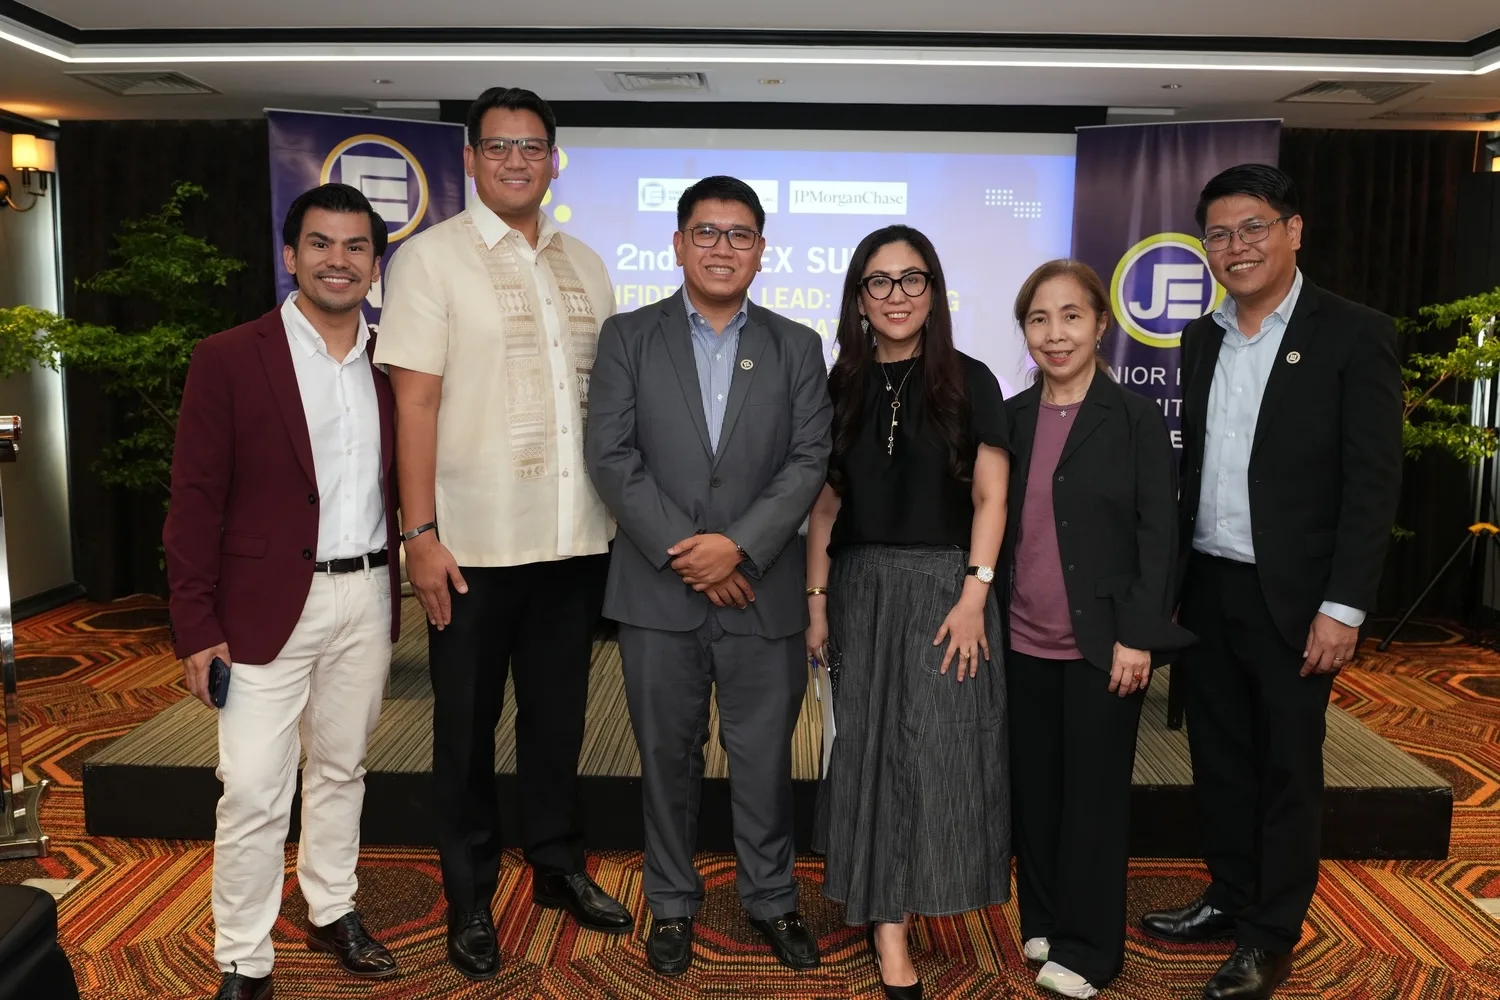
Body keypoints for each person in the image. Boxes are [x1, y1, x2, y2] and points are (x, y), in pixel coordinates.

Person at [374, 87, 632, 983]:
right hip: (471, 546)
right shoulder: (430, 262)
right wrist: (422, 534)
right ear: (471, 160)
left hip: (572, 540)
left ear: (555, 158)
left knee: (559, 720)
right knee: (465, 730)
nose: (516, 161)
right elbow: (414, 401)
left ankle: (557, 864)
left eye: (532, 146)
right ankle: (470, 892)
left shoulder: (589, 264)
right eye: (498, 147)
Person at [1141, 164, 1403, 1000]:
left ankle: (1271, 932)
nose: (1234, 247)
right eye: (1218, 234)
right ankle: (1228, 891)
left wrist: (1344, 605)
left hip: (1298, 598)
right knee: (1216, 754)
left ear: (1294, 230)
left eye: (1252, 227)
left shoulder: (1354, 334)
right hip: (1211, 584)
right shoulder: (1201, 335)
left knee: (1288, 766)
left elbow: (1373, 483)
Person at [584, 175, 832, 979]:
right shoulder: (628, 336)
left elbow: (807, 463)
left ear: (762, 250)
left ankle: (771, 898)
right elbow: (611, 457)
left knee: (764, 757)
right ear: (679, 244)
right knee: (666, 756)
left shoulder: (798, 346)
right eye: (706, 232)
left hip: (763, 590)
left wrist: (741, 549)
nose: (722, 247)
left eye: (739, 234)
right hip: (659, 592)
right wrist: (694, 552)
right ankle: (672, 903)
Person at [164, 183, 402, 1000]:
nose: (339, 261)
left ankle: (333, 909)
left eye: (356, 246)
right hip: (259, 611)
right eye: (321, 244)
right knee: (256, 790)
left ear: (376, 261)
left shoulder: (395, 359)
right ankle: (244, 957)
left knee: (342, 769)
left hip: (367, 597)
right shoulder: (230, 356)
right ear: (291, 254)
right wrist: (196, 626)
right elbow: (193, 501)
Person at [805, 225, 1011, 1000]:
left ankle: (917, 895)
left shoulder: (970, 379)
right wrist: (817, 604)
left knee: (939, 753)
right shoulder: (841, 385)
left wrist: (973, 595)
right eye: (879, 282)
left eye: (911, 279)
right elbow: (825, 510)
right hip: (858, 591)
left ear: (935, 290)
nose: (896, 296)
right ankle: (887, 927)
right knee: (865, 750)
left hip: (947, 595)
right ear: (859, 298)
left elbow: (992, 497)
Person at [1002, 260, 1195, 999]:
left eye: (1071, 316)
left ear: (1100, 325)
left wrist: (1140, 635)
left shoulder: (1132, 418)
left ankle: (1092, 949)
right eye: (1039, 319)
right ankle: (1046, 918)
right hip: (1020, 640)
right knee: (1036, 792)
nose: (1056, 334)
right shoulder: (1013, 418)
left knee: (1093, 800)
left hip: (1103, 645)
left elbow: (1159, 533)